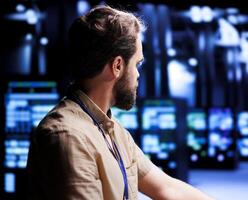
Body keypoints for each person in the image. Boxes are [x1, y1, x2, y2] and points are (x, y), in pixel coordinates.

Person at [27, 5, 214, 200]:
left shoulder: (113, 130)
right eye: (137, 64)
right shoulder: (68, 136)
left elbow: (167, 188)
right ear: (117, 66)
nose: (138, 74)